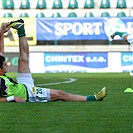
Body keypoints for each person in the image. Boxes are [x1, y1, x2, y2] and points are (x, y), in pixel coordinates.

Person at [0, 19, 107, 103]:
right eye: (5, 65)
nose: (7, 65)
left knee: (23, 59)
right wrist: (12, 98)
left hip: (22, 84)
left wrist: (1, 33)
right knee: (60, 94)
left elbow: (1, 51)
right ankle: (93, 98)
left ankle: (21, 29)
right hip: (28, 94)